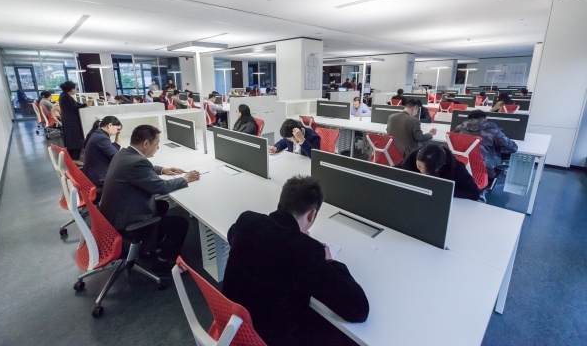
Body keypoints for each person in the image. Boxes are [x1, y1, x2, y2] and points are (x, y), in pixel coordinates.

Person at [222, 175, 369, 346]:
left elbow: (233, 235)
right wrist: (329, 261)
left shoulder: (247, 220)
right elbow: (358, 309)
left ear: (282, 202)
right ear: (312, 214)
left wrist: (291, 234)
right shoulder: (306, 251)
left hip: (233, 328)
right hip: (269, 338)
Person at [99, 125, 200, 270]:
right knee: (180, 223)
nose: (158, 147)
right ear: (146, 143)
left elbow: (141, 167)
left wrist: (162, 169)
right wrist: (185, 179)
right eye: (156, 144)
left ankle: (153, 244)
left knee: (163, 205)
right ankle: (164, 262)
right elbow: (161, 187)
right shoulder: (137, 163)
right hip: (125, 224)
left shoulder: (123, 154)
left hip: (113, 215)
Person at [398, 143, 480, 200]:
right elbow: (397, 170)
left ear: (440, 167)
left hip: (438, 201)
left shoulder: (456, 168)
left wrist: (444, 190)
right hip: (416, 196)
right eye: (419, 166)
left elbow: (474, 193)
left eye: (428, 172)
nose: (422, 172)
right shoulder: (413, 157)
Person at [454, 109, 518, 179]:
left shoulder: (459, 129)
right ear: (485, 119)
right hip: (486, 169)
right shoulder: (493, 130)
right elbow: (512, 148)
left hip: (462, 166)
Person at [82, 116, 122, 197]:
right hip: (99, 180)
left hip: (92, 176)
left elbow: (114, 149)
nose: (117, 132)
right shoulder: (101, 138)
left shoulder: (97, 134)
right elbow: (115, 156)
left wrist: (118, 135)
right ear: (110, 125)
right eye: (117, 129)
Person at [59, 81, 93, 164]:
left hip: (69, 121)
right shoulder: (65, 97)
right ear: (71, 89)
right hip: (72, 122)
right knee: (76, 140)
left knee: (71, 140)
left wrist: (85, 104)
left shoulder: (64, 95)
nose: (76, 90)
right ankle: (75, 159)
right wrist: (85, 105)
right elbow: (73, 108)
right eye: (75, 88)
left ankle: (71, 158)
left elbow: (75, 104)